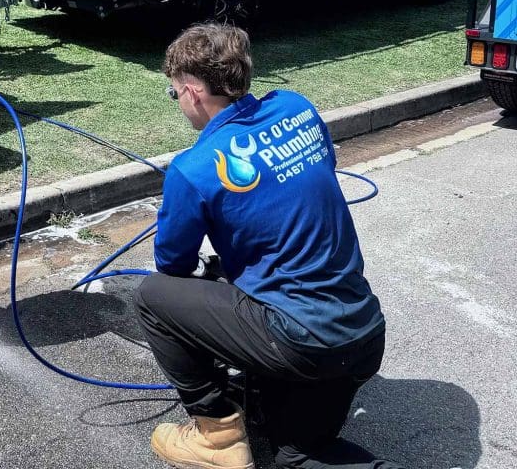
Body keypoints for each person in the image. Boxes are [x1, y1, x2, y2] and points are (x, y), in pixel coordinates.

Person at [135, 24, 403, 469]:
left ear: (193, 92)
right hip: (361, 334)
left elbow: (173, 265)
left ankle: (217, 435)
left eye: (174, 93)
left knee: (152, 297)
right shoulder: (296, 107)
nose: (178, 102)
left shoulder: (192, 168)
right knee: (295, 455)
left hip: (303, 344)